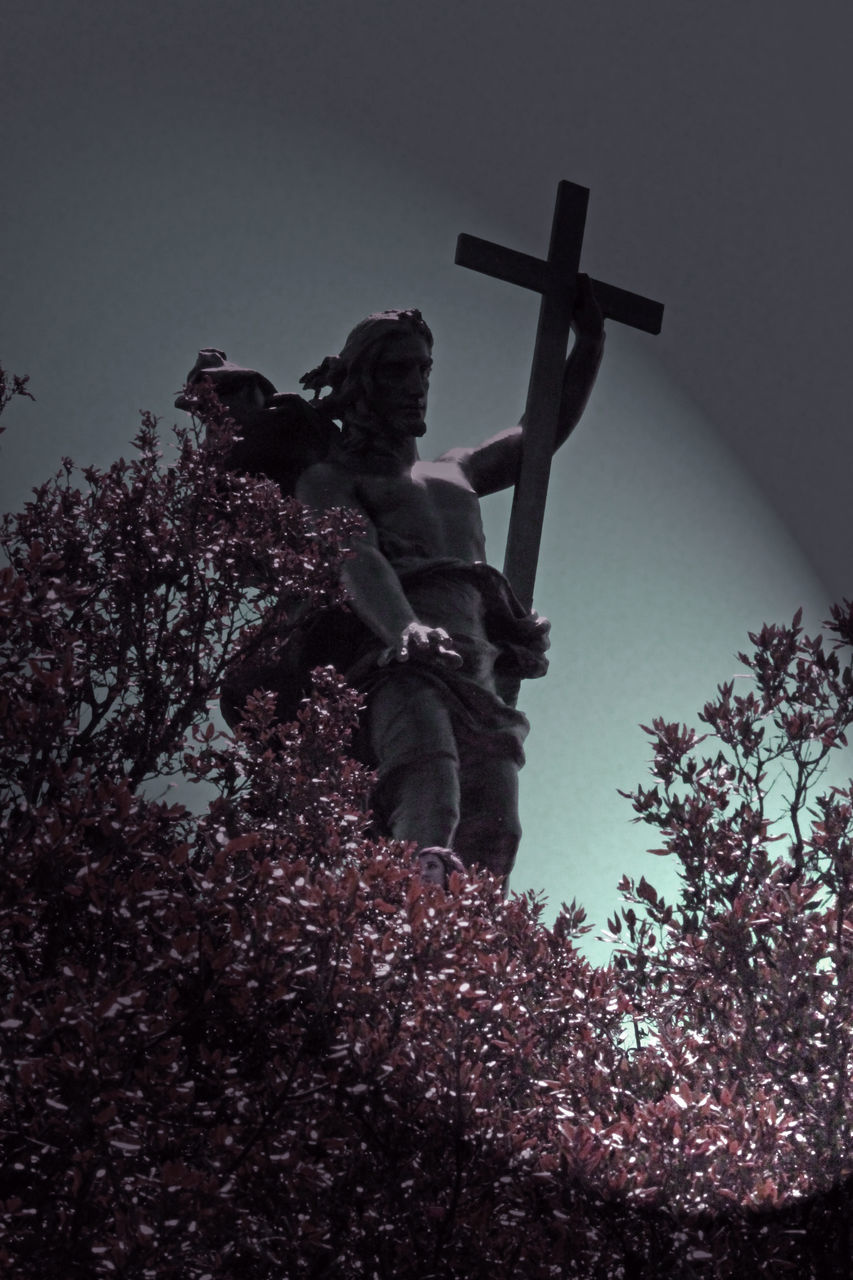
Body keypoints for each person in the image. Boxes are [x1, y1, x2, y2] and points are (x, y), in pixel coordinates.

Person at [294, 277, 605, 886]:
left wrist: (590, 342)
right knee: (429, 782)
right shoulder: (330, 480)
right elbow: (355, 556)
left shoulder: (456, 470)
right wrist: (403, 627)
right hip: (398, 657)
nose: (416, 387)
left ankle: (471, 958)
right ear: (361, 385)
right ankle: (407, 927)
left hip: (479, 666)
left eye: (424, 371)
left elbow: (541, 431)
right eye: (397, 372)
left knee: (496, 827)